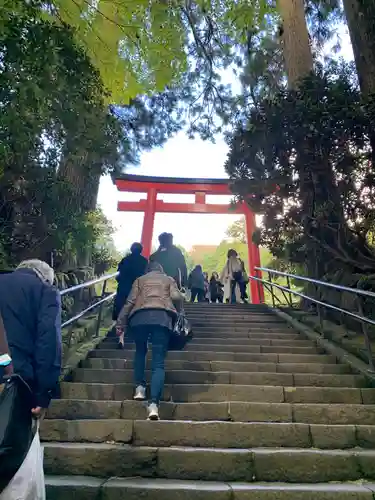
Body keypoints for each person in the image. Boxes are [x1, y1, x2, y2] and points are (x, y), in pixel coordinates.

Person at [116, 261, 183, 421]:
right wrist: (179, 311)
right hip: (162, 317)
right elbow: (176, 296)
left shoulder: (140, 280)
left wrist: (120, 323)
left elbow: (130, 302)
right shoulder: (168, 279)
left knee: (140, 351)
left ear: (148, 270)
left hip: (139, 317)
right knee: (158, 362)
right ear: (161, 270)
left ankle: (140, 388)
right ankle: (153, 406)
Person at [0, 259, 62, 417]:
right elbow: (48, 342)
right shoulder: (45, 291)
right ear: (45, 277)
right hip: (17, 378)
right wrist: (43, 394)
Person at [112, 242, 148, 321]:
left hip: (124, 288)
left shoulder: (125, 260)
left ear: (131, 249)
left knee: (121, 307)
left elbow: (118, 275)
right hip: (138, 289)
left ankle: (118, 323)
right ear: (141, 250)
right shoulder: (144, 261)